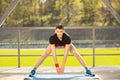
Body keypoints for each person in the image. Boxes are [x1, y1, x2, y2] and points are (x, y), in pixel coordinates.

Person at [29, 25, 94, 76]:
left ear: (63, 31)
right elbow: (54, 54)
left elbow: (66, 54)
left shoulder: (67, 38)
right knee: (45, 54)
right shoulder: (52, 38)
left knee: (76, 53)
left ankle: (87, 69)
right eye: (58, 32)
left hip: (65, 43)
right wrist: (57, 66)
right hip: (56, 43)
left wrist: (62, 67)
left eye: (61, 32)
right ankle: (34, 70)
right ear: (55, 31)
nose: (59, 33)